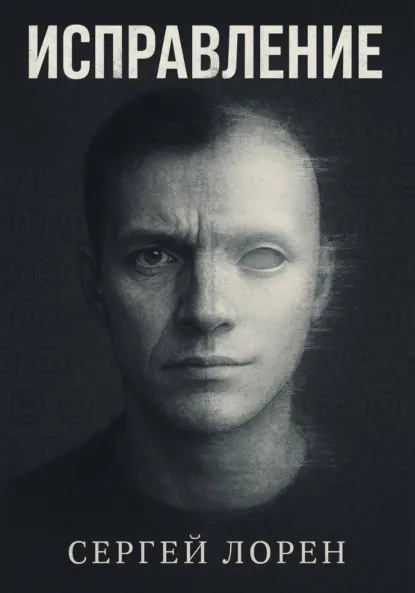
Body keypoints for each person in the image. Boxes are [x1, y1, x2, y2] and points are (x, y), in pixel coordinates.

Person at [0, 85, 407, 592]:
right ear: (95, 285)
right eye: (154, 257)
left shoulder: (399, 532)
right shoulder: (14, 542)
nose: (206, 310)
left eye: (261, 256)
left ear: (320, 287)